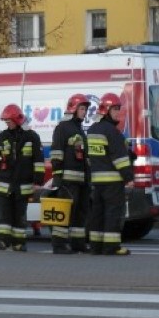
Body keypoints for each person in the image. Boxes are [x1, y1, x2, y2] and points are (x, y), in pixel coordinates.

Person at [0, 104, 44, 252]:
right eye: (6, 122)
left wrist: (38, 181)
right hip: (5, 183)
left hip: (23, 184)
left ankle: (19, 242)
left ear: (17, 119)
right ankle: (3, 241)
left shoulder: (32, 137)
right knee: (3, 214)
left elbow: (38, 161)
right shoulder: (2, 137)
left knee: (20, 215)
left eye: (9, 121)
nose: (8, 124)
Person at [86, 93, 134, 255]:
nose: (117, 112)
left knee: (97, 214)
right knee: (113, 212)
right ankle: (111, 247)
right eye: (114, 109)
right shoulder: (112, 132)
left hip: (97, 181)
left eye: (118, 109)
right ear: (106, 110)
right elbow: (120, 159)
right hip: (113, 181)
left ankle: (96, 246)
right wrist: (129, 178)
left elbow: (91, 155)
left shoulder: (92, 130)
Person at [49, 93, 91, 254]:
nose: (84, 112)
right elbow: (56, 154)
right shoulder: (63, 128)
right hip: (67, 180)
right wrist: (58, 177)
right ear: (73, 109)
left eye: (85, 109)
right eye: (81, 108)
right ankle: (59, 244)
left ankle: (78, 243)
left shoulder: (79, 129)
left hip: (82, 181)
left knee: (80, 213)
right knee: (64, 212)